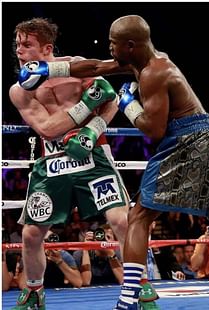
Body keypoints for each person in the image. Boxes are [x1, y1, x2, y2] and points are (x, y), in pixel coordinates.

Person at [17, 15, 209, 309]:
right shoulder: (141, 60)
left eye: (113, 44)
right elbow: (97, 67)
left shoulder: (154, 72)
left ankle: (131, 295)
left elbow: (154, 129)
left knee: (137, 217)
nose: (109, 49)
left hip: (186, 141)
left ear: (129, 45)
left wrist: (126, 106)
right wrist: (50, 69)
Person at [9, 17, 131, 309]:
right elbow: (48, 129)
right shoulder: (19, 90)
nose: (19, 51)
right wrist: (86, 106)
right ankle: (35, 291)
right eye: (17, 45)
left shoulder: (76, 66)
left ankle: (138, 286)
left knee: (122, 221)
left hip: (93, 154)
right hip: (52, 161)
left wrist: (93, 129)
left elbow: (111, 99)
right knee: (31, 233)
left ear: (47, 48)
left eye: (27, 45)